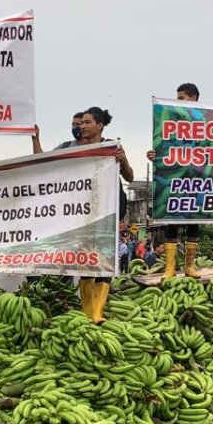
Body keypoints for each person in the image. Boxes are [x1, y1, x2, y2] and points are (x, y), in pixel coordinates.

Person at [77, 107, 133, 323]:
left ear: (99, 125)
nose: (83, 126)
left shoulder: (112, 147)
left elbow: (130, 176)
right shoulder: (74, 149)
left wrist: (123, 160)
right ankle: (86, 311)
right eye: (81, 122)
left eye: (87, 122)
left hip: (108, 209)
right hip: (84, 212)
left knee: (105, 258)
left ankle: (97, 312)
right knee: (85, 260)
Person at [148, 83, 205, 280]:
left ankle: (190, 266)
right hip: (173, 178)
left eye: (181, 98)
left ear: (193, 98)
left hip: (196, 177)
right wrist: (155, 154)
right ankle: (169, 268)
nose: (177, 101)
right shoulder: (169, 118)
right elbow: (164, 146)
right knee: (171, 220)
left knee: (194, 220)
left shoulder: (203, 119)